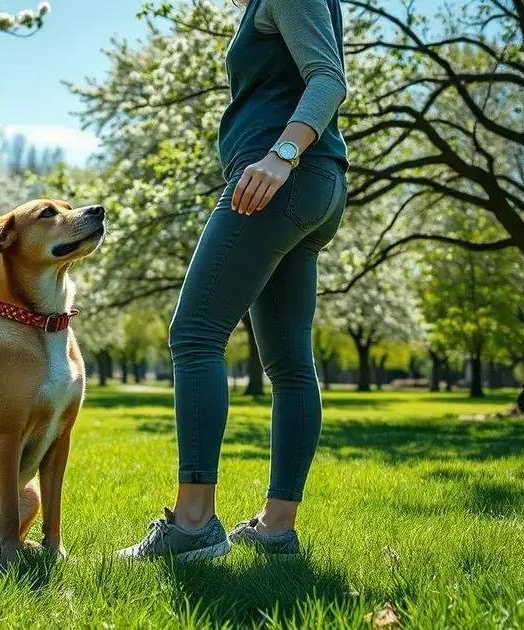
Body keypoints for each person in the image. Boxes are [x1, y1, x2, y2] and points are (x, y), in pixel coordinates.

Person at [116, 0, 348, 561]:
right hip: (311, 184)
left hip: (280, 178)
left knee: (194, 337)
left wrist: (281, 155)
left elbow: (329, 79)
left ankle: (192, 524)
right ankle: (275, 530)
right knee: (290, 364)